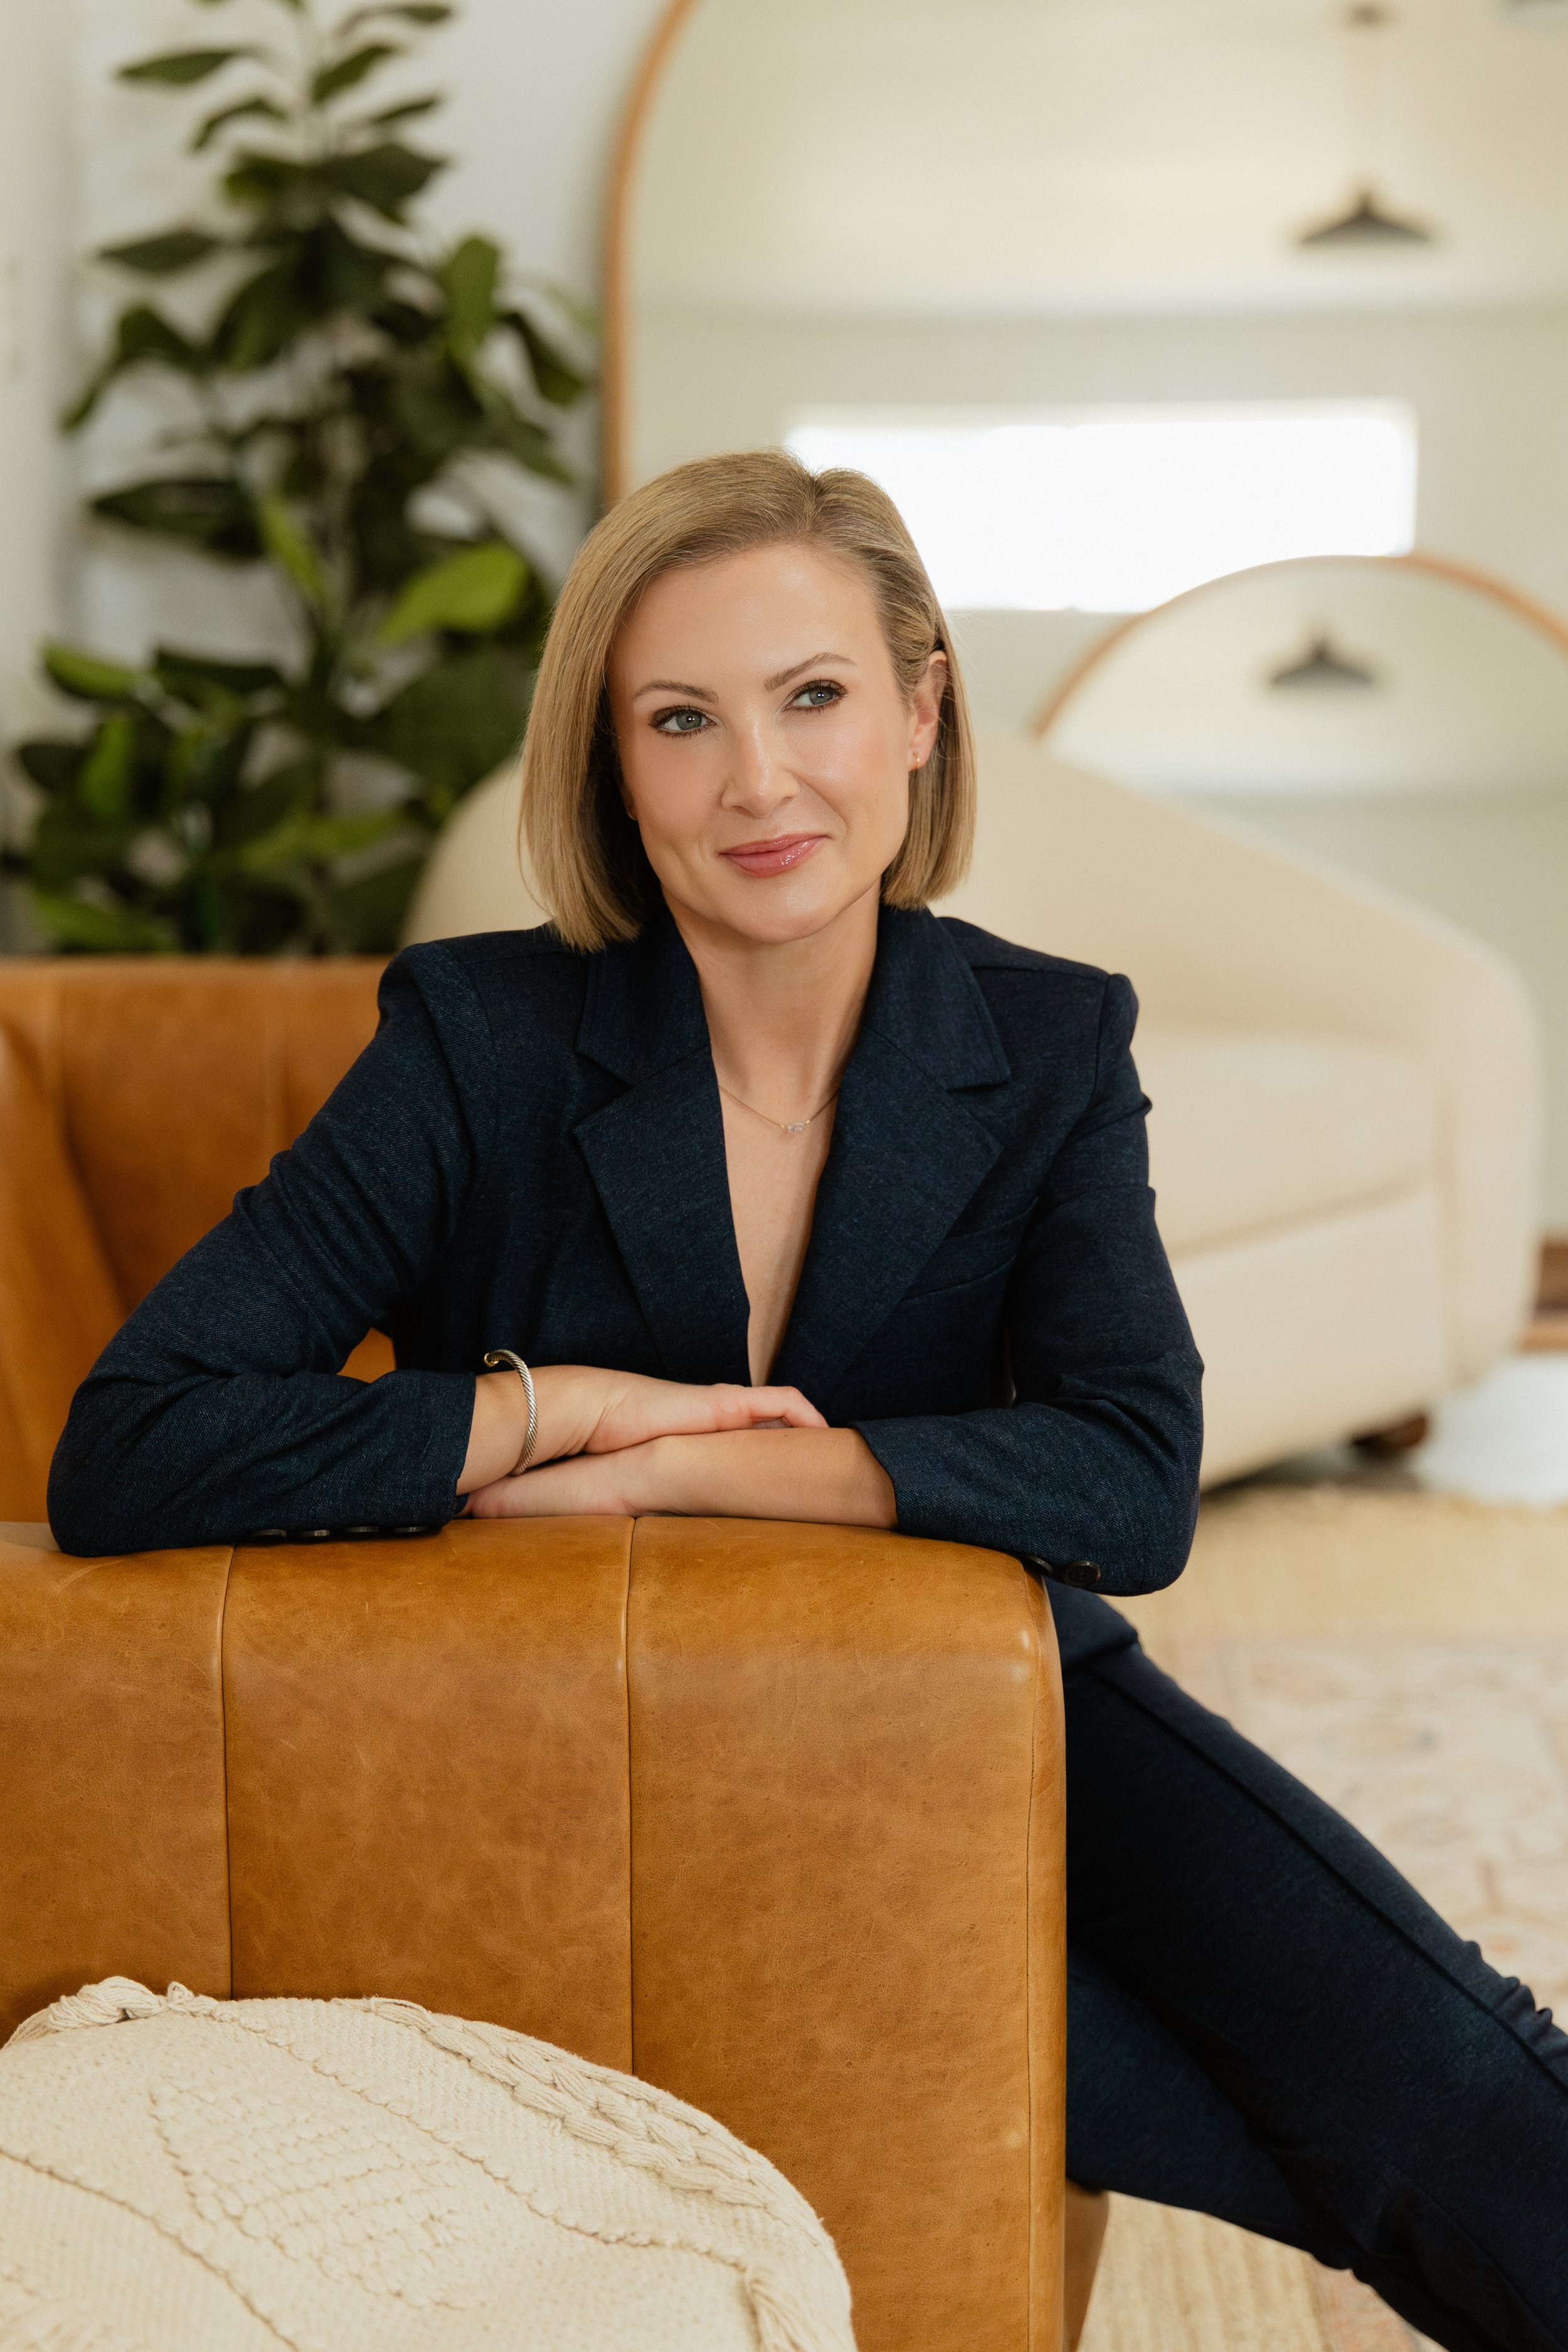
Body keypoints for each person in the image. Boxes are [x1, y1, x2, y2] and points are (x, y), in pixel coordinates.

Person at [50, 452, 1565, 2351]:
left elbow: (1131, 1477)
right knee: (1339, 2120)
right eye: (680, 721)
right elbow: (132, 1444)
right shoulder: (474, 1039)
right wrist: (556, 1417)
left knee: (1439, 2065)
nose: (758, 783)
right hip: (602, 1765)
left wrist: (742, 1476)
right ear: (612, 767)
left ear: (921, 710)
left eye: (814, 697)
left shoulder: (1043, 1038)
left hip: (985, 1705)